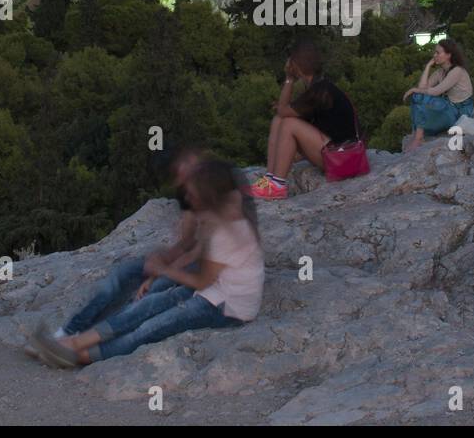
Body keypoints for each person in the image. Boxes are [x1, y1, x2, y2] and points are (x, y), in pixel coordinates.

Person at [31, 159, 264, 367]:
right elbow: (194, 256)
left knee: (150, 328)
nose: (187, 199)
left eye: (192, 194)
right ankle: (71, 343)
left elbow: (203, 280)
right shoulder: (215, 218)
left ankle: (80, 355)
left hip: (228, 309)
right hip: (214, 293)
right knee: (147, 304)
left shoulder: (227, 231)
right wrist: (157, 277)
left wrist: (162, 270)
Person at [25, 147, 204, 357]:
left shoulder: (216, 194)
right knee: (120, 275)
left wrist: (159, 273)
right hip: (180, 262)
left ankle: (82, 345)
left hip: (195, 270)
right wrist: (160, 259)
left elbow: (200, 252)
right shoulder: (188, 193)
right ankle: (66, 333)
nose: (179, 179)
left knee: (148, 295)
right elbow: (186, 242)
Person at [251, 38, 360, 199]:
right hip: (339, 156)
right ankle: (270, 179)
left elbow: (283, 110)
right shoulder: (318, 87)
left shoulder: (319, 91)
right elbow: (282, 113)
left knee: (287, 123)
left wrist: (289, 78)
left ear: (295, 64)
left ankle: (278, 186)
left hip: (343, 161)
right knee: (279, 121)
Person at [403, 38, 474, 150]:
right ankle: (418, 136)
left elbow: (436, 92)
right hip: (449, 108)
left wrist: (413, 90)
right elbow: (422, 89)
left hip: (460, 113)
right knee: (417, 96)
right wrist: (428, 66)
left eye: (438, 52)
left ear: (448, 55)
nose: (434, 55)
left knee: (418, 94)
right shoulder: (440, 72)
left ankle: (418, 138)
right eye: (434, 52)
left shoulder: (457, 71)